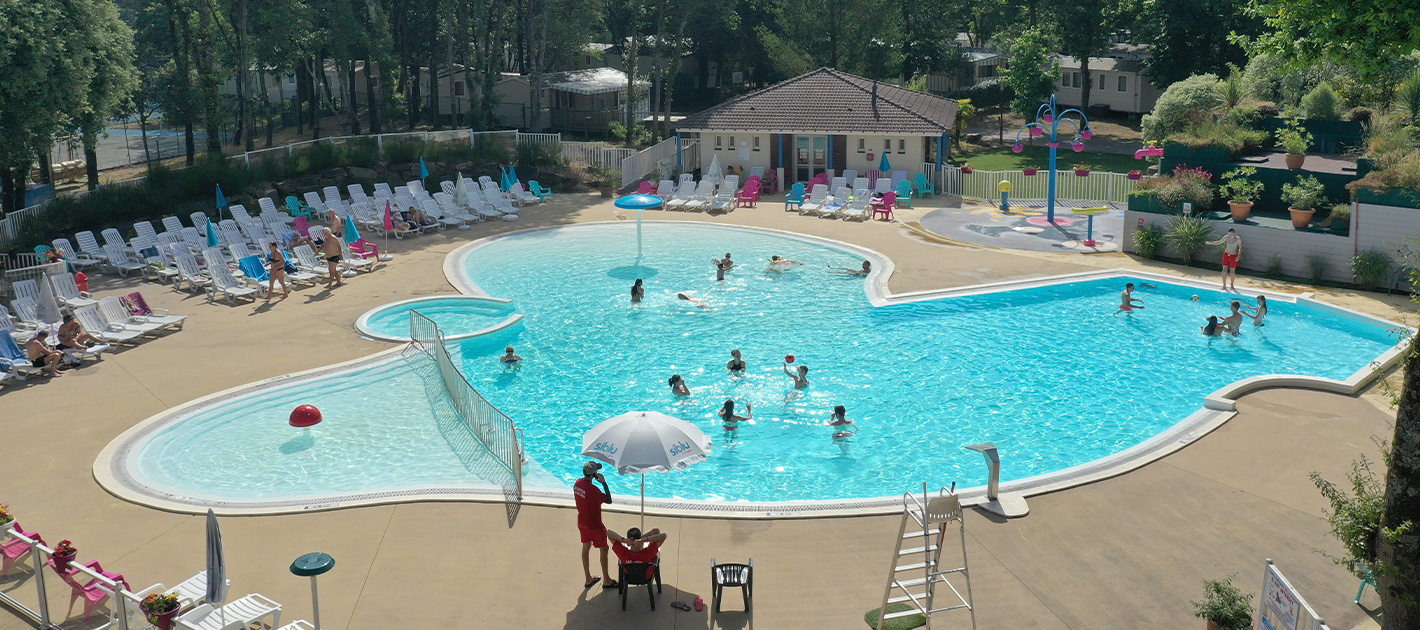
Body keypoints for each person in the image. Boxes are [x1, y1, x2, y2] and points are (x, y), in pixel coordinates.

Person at [574, 461, 615, 589]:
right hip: (595, 525)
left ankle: (588, 578)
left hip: (582, 522)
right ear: (594, 475)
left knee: (586, 548)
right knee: (604, 549)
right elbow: (609, 500)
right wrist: (603, 483)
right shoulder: (594, 490)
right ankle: (607, 580)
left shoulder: (577, 483)